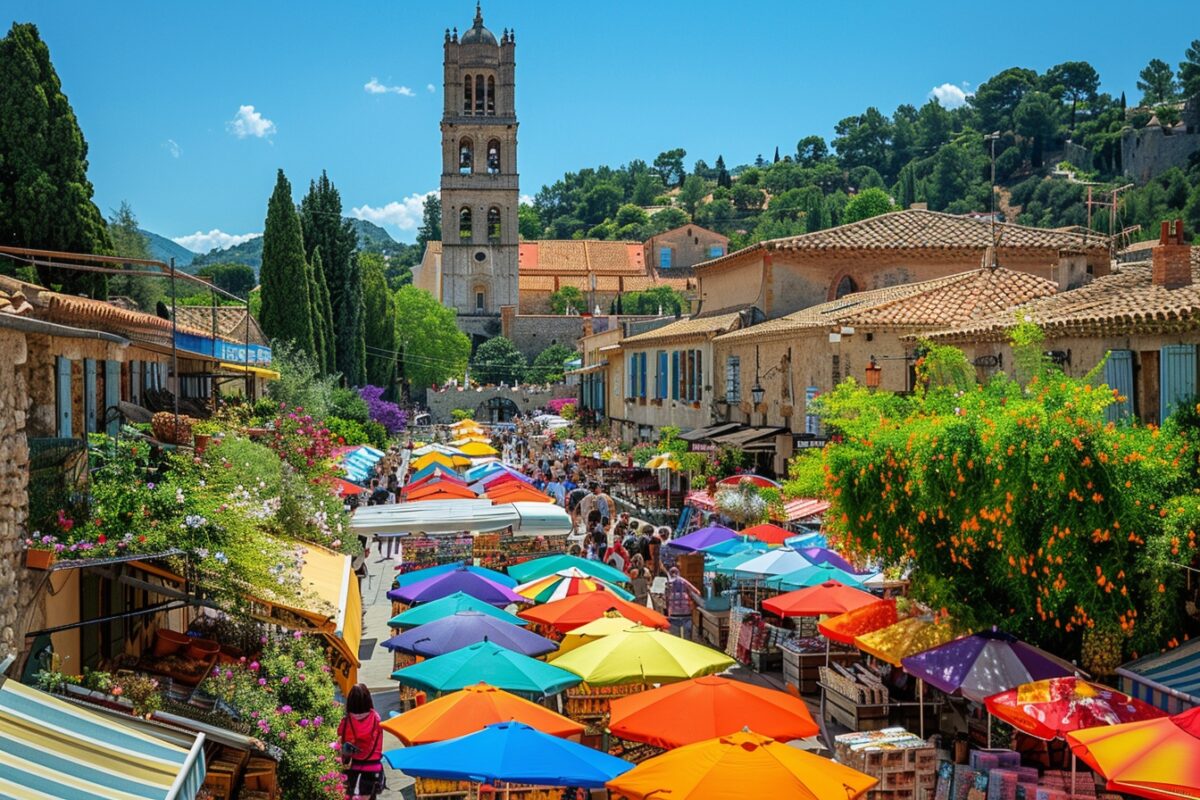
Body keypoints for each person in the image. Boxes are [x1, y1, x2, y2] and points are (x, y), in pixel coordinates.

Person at [338, 684, 384, 800]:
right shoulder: (376, 718)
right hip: (374, 768)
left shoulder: (346, 721)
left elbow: (341, 739)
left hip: (353, 769)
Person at [665, 566, 702, 639]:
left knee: (675, 640)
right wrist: (689, 596)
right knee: (687, 639)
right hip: (686, 614)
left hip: (673, 615)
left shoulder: (668, 584)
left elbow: (664, 598)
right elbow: (698, 592)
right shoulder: (684, 581)